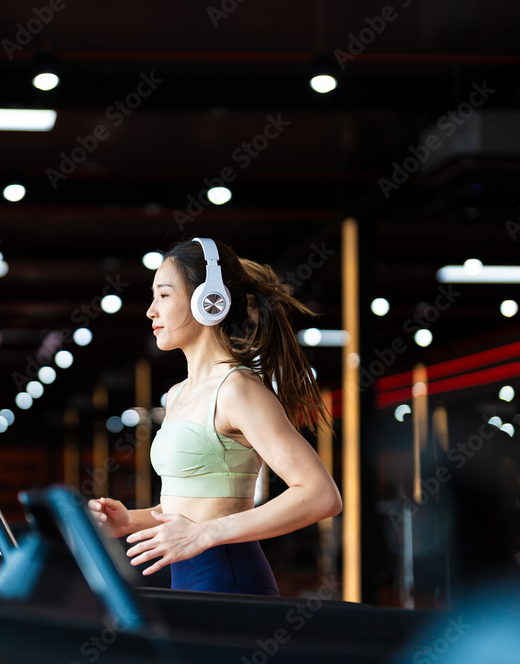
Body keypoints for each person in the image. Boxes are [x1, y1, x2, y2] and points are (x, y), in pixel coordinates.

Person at [88, 237, 342, 595]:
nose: (151, 311)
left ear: (209, 301)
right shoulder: (177, 394)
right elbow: (191, 506)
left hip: (228, 577)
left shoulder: (238, 389)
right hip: (188, 578)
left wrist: (207, 533)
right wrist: (131, 520)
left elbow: (321, 495)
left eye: (163, 295)